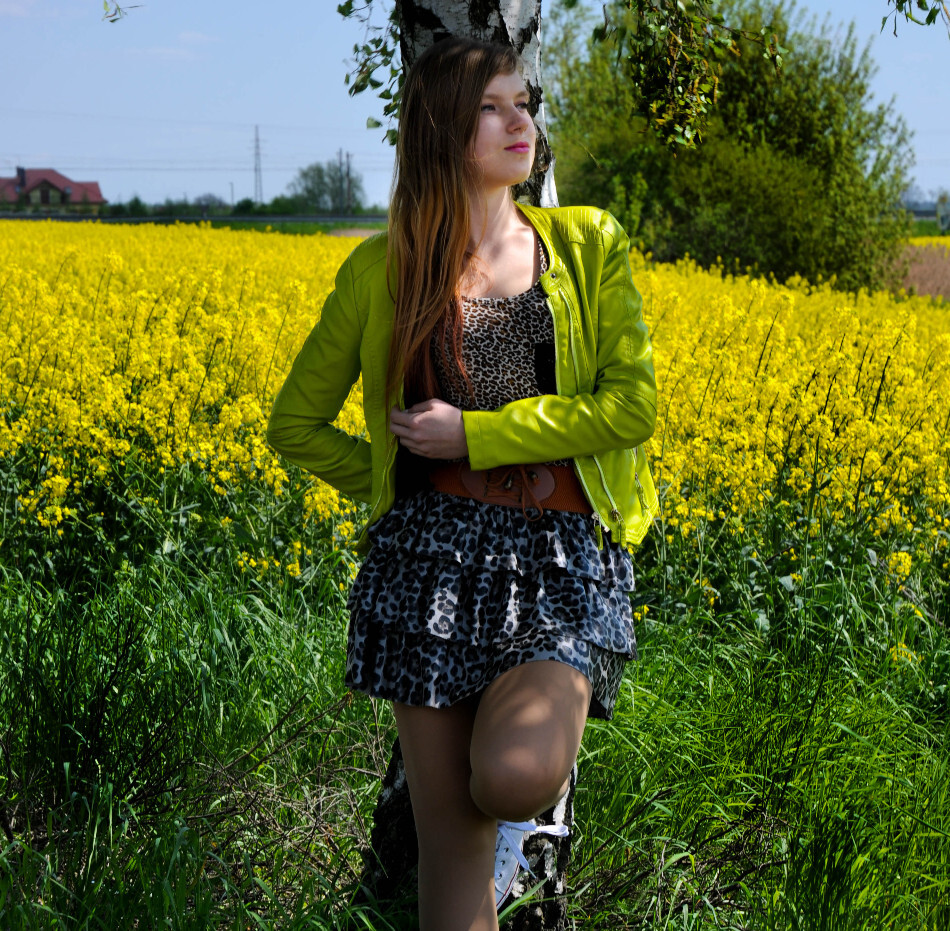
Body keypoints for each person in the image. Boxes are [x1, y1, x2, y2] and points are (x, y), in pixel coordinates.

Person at [267, 35, 658, 931]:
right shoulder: (384, 269)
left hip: (559, 559)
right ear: (442, 129)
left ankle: (522, 837)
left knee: (513, 775)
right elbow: (294, 425)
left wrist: (471, 436)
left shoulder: (585, 245)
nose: (522, 122)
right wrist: (398, 479)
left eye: (525, 103)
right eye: (492, 107)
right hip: (426, 566)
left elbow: (630, 406)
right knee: (450, 849)